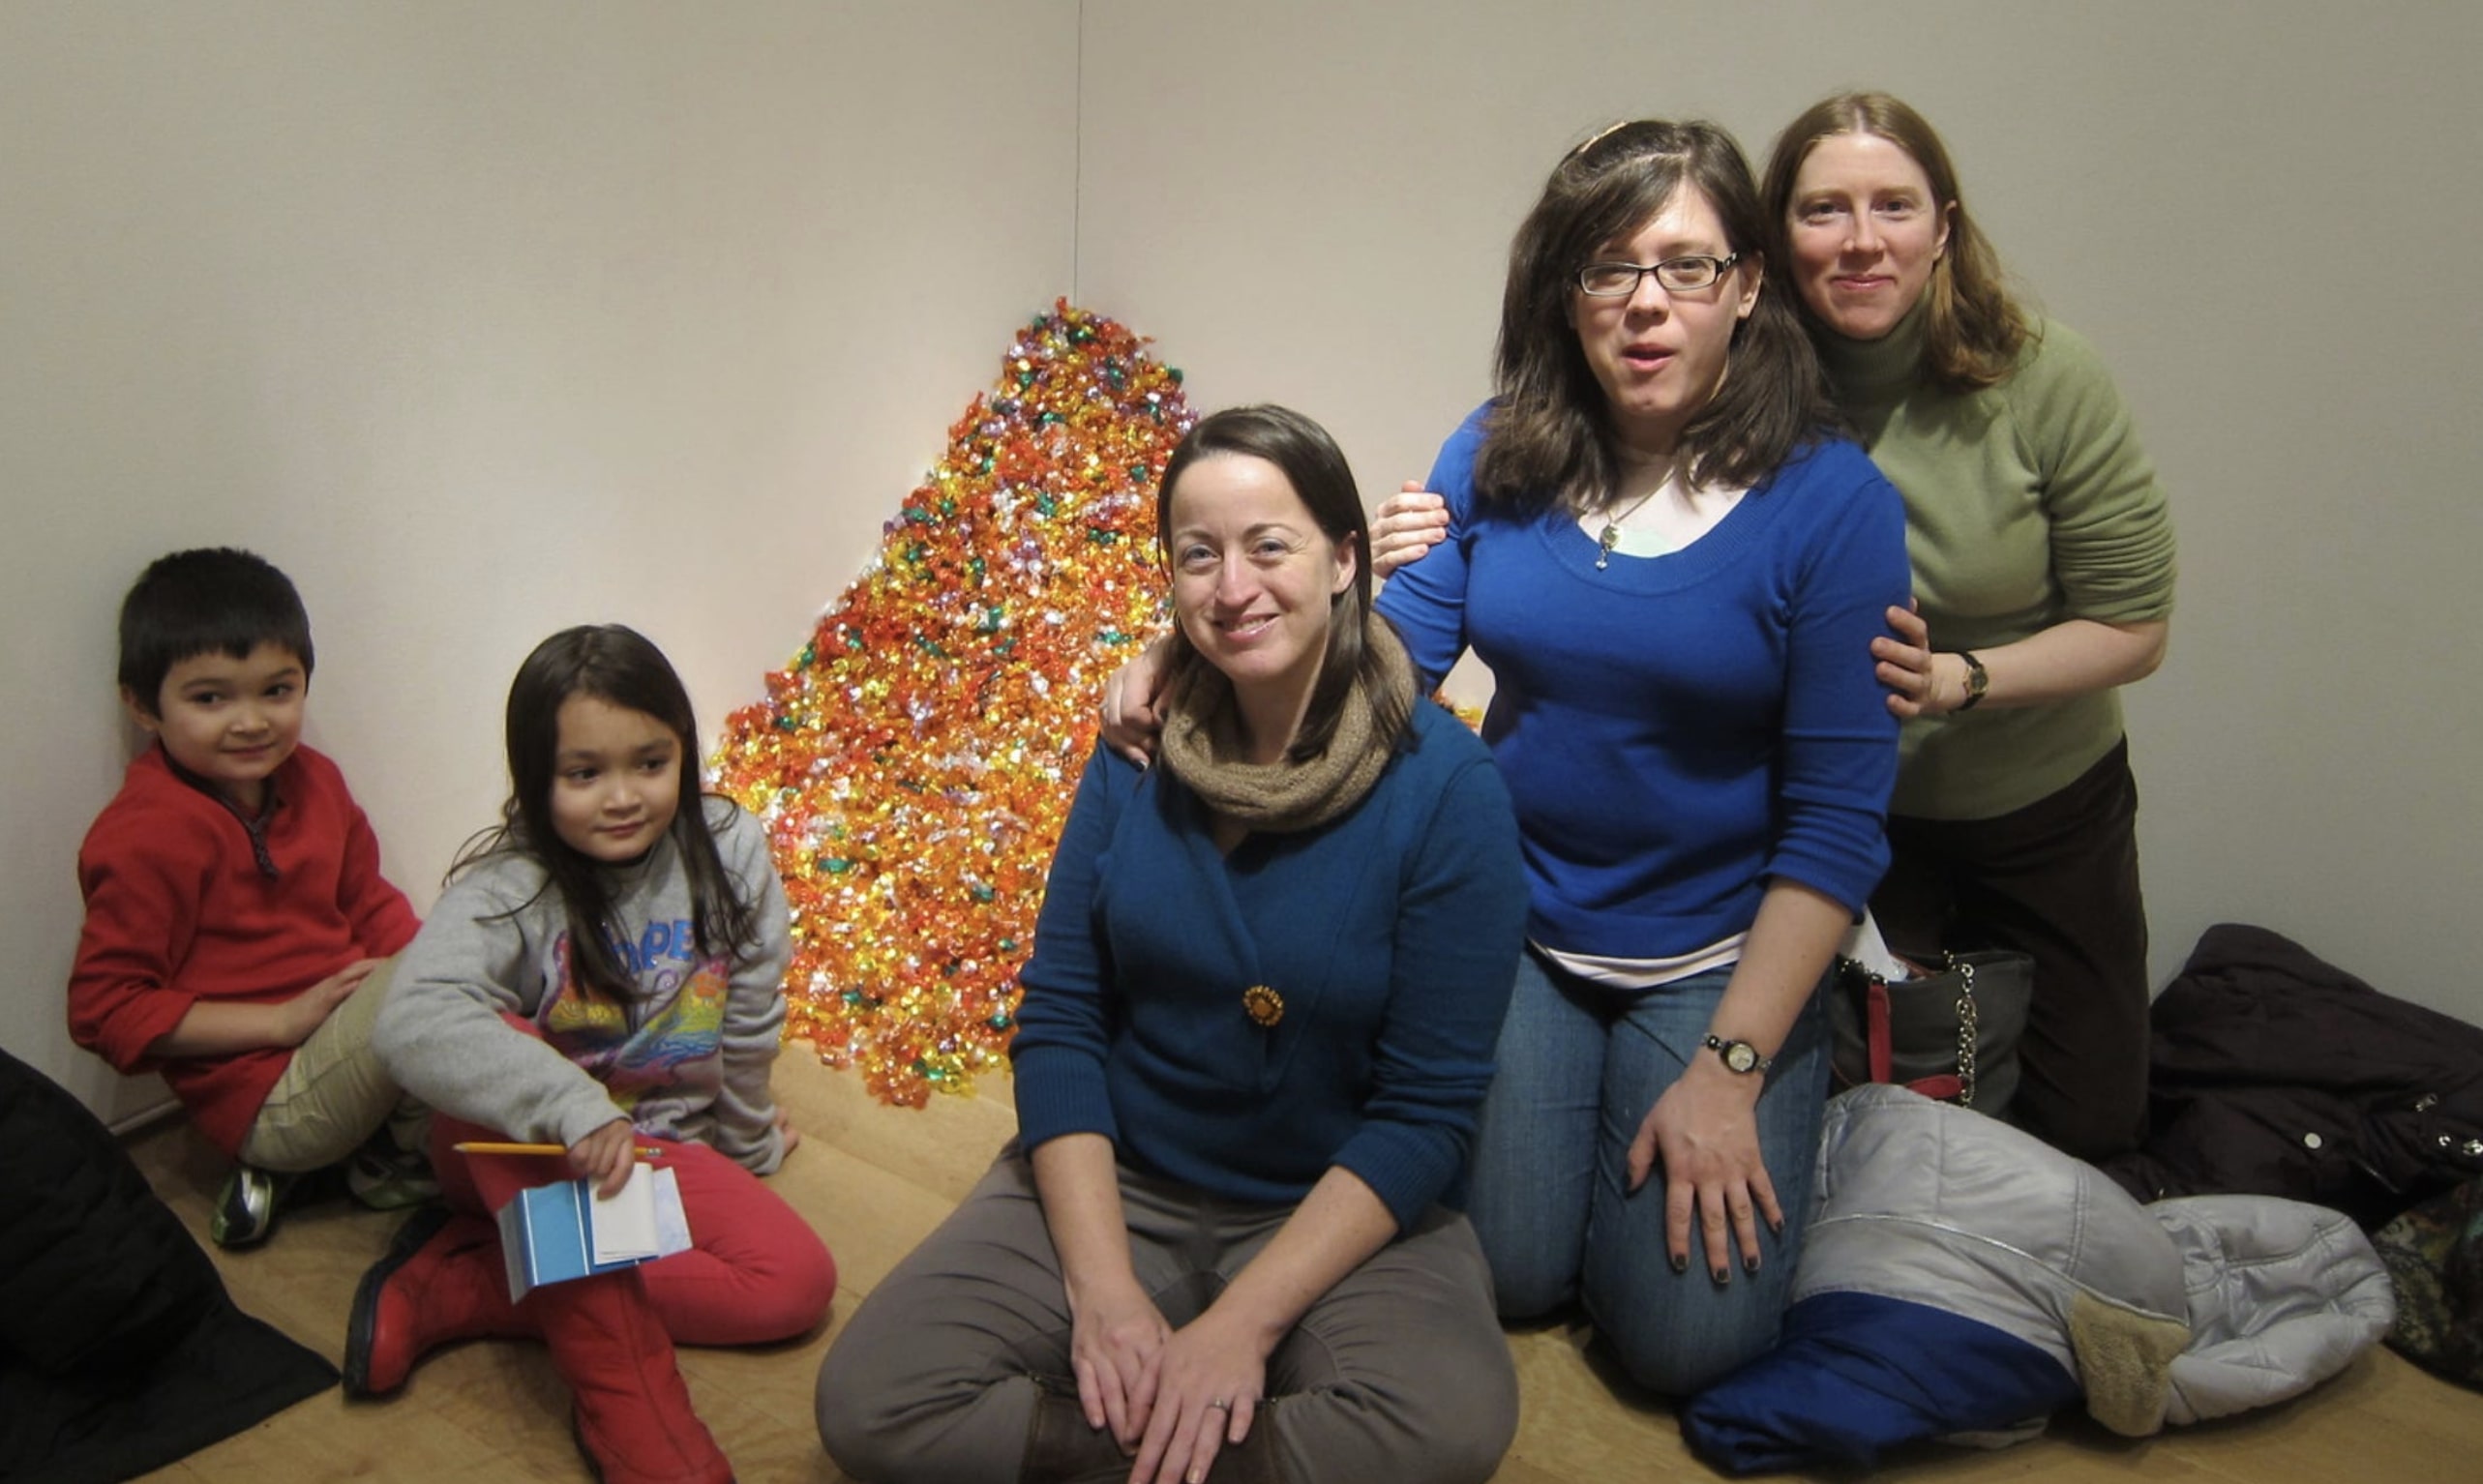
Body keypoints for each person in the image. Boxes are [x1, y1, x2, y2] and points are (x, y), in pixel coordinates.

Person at [1105, 122, 1911, 1396]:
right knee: (1512, 1279)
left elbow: (1835, 823)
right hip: (1523, 925)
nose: (1645, 303)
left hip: (1715, 950)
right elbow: (1377, 682)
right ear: (1565, 291)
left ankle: (1790, 1094)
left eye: (1686, 267)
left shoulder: (1833, 506)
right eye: (1608, 267)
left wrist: (1730, 1070)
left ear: (1746, 287)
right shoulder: (1494, 456)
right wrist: (1189, 647)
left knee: (1681, 1348)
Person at [816, 405, 1529, 1484]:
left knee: (1448, 1421)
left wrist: (1240, 1324)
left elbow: (1424, 1111)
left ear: (1344, 558)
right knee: (871, 1399)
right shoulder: (1138, 749)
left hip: (1325, 1207)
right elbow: (1060, 1015)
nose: (1231, 587)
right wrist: (1102, 1293)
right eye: (1198, 556)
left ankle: (1144, 1439)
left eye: (1268, 546)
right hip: (1125, 1175)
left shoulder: (1447, 791)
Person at [1753, 92, 2177, 1161]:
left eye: (1893, 206)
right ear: (1775, 236)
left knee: (2088, 1135)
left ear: (1942, 227)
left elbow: (2133, 626)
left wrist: (1959, 679)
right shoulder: (1746, 392)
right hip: (1845, 817)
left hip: (2042, 812)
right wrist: (1444, 516)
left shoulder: (2043, 374)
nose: (1860, 240)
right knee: (1866, 1129)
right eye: (1824, 211)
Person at [362, 624, 835, 1484]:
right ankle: (631, 1411)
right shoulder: (510, 887)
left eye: (649, 763)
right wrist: (571, 1108)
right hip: (526, 1150)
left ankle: (466, 1285)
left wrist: (748, 1136)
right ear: (535, 774)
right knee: (501, 1042)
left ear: (684, 753)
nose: (622, 797)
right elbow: (409, 1022)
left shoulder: (730, 847)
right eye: (584, 774)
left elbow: (752, 1009)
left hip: (651, 1150)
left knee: (795, 1285)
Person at [68, 547, 432, 1249]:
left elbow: (370, 901)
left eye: (276, 690)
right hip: (266, 1095)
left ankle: (364, 1162)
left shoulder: (316, 781)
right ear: (143, 704)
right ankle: (315, 1163)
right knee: (434, 991)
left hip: (347, 1046)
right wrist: (280, 1021)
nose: (252, 721)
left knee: (463, 955)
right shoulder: (144, 835)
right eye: (210, 698)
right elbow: (104, 1011)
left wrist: (448, 967)